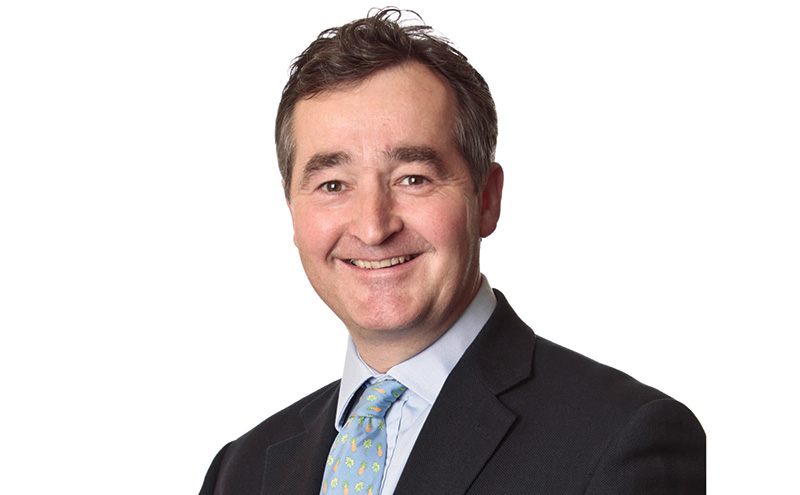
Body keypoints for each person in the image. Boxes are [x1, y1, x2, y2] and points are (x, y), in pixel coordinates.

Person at [199, 8, 705, 495]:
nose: (373, 227)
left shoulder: (622, 442)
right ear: (292, 209)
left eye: (413, 178)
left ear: (487, 199)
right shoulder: (240, 470)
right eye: (333, 185)